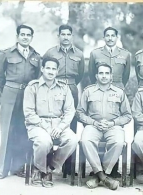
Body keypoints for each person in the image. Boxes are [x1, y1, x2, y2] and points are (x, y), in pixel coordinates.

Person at [0, 24, 41, 179]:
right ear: (17, 36)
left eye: (28, 35)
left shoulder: (36, 56)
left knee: (24, 131)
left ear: (32, 38)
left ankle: (18, 168)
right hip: (10, 94)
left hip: (28, 96)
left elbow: (38, 77)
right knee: (7, 131)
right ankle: (3, 169)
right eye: (22, 34)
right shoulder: (6, 53)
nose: (25, 37)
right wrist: (8, 92)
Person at [23, 57, 78, 187]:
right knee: (44, 141)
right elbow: (29, 112)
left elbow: (70, 111)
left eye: (54, 69)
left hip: (58, 125)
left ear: (57, 71)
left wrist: (60, 127)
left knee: (72, 140)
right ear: (42, 69)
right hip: (37, 125)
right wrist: (46, 127)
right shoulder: (32, 87)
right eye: (48, 68)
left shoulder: (64, 88)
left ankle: (49, 168)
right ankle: (39, 169)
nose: (51, 71)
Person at [76, 63, 132, 190]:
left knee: (118, 142)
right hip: (93, 125)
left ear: (111, 76)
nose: (104, 76)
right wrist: (94, 122)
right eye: (101, 73)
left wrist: (113, 123)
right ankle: (103, 177)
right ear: (96, 76)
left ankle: (100, 175)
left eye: (107, 73)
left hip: (113, 126)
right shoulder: (88, 91)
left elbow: (128, 115)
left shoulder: (119, 92)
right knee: (85, 140)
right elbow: (79, 113)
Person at [43, 24, 84, 175]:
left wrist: (70, 86)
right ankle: (47, 163)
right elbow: (46, 70)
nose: (65, 37)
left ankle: (68, 167)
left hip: (72, 89)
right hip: (54, 87)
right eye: (63, 34)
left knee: (70, 124)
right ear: (59, 36)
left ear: (72, 36)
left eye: (68, 34)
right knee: (51, 120)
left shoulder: (79, 54)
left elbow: (80, 74)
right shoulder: (51, 52)